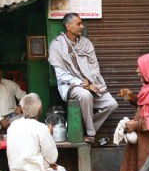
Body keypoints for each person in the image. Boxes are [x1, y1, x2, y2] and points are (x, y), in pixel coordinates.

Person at [48, 12, 118, 140]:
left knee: (112, 104)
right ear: (68, 26)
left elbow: (94, 67)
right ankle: (90, 134)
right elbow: (62, 75)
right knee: (84, 94)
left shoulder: (86, 43)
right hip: (71, 86)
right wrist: (82, 83)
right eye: (78, 24)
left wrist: (93, 83)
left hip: (92, 84)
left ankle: (84, 127)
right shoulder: (57, 46)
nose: (82, 27)